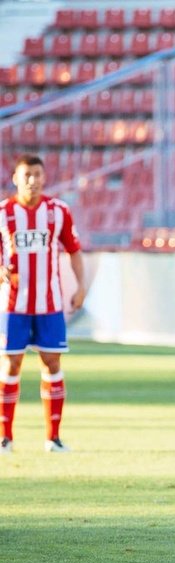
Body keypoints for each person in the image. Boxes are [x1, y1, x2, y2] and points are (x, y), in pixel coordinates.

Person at [0, 155, 85, 455]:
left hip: (49, 303)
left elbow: (74, 250)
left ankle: (54, 438)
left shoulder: (58, 211)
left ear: (44, 177)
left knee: (52, 362)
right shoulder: (3, 213)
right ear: (15, 178)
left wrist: (81, 286)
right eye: (27, 175)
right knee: (11, 364)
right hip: (13, 306)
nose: (32, 180)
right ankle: (5, 438)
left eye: (37, 174)